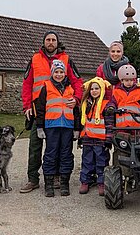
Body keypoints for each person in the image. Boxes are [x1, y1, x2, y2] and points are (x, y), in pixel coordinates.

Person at [20, 31, 83, 193]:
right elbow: (27, 84)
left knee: (57, 146)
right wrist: (27, 106)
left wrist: (76, 98)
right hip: (37, 110)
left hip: (60, 113)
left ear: (57, 42)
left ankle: (56, 177)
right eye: (48, 40)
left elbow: (77, 82)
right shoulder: (34, 59)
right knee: (35, 145)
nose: (50, 42)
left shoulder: (67, 59)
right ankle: (32, 179)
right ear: (44, 42)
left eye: (53, 40)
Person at [35, 60, 80, 197]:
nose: (59, 75)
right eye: (56, 72)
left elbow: (76, 111)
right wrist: (39, 127)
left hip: (67, 126)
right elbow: (40, 108)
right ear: (52, 73)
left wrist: (76, 129)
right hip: (51, 126)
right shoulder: (46, 87)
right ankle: (49, 184)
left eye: (61, 72)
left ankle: (64, 183)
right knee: (50, 154)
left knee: (66, 154)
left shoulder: (70, 89)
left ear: (65, 73)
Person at [107, 65, 140, 172]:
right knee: (122, 148)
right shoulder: (117, 92)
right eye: (126, 80)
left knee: (138, 146)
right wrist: (111, 107)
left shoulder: (139, 91)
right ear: (121, 80)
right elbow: (113, 102)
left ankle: (139, 168)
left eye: (131, 80)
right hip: (122, 126)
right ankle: (124, 170)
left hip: (136, 125)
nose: (129, 82)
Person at [78, 77, 113, 196]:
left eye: (97, 88)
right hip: (88, 138)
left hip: (100, 139)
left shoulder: (106, 104)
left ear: (101, 89)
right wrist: (80, 138)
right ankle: (85, 181)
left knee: (101, 161)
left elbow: (109, 123)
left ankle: (102, 182)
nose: (94, 91)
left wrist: (108, 139)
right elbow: (84, 122)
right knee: (87, 161)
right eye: (92, 89)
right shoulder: (86, 104)